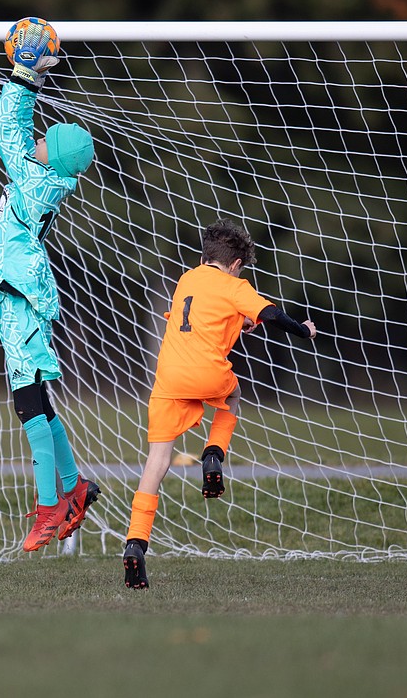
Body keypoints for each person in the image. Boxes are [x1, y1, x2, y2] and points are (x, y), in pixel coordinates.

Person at [123, 220, 317, 589]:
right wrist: (303, 330)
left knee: (157, 461)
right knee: (232, 396)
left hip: (167, 377)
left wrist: (240, 322)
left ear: (205, 256)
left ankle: (135, 544)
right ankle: (213, 453)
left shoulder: (187, 279)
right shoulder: (236, 286)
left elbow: (201, 319)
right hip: (208, 374)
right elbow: (272, 315)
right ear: (237, 264)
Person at [0, 18, 101, 552]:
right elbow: (19, 136)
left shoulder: (35, 180)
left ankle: (48, 508)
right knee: (37, 398)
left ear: (49, 155)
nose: (34, 141)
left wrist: (24, 76)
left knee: (28, 402)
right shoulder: (48, 176)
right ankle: (74, 486)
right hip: (24, 293)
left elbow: (7, 130)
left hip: (20, 297)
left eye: (43, 141)